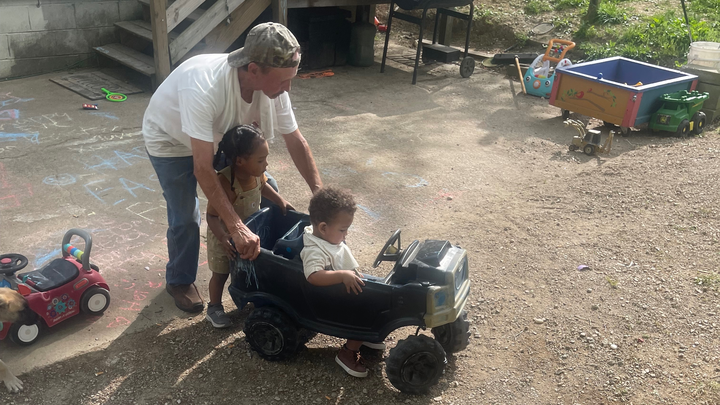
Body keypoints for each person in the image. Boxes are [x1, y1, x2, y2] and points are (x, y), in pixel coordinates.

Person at [141, 22, 322, 313]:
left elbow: (296, 141)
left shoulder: (275, 89)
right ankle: (179, 280)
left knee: (267, 187)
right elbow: (203, 168)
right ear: (253, 69)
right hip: (170, 141)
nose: (288, 88)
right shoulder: (204, 88)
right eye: (282, 81)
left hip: (223, 137)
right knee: (185, 216)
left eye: (291, 79)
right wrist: (236, 227)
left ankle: (264, 263)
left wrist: (320, 195)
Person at [205, 125, 293, 328]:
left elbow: (263, 186)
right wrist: (223, 238)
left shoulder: (255, 173)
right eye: (261, 160)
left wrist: (280, 200)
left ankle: (252, 296)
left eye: (266, 158)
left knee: (249, 268)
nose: (266, 164)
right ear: (240, 161)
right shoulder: (225, 183)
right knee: (221, 273)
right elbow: (211, 216)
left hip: (248, 234)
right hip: (225, 239)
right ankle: (214, 307)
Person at [300, 187, 385, 378]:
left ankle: (365, 337)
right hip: (329, 300)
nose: (346, 235)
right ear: (323, 228)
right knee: (368, 308)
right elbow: (313, 275)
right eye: (343, 230)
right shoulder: (314, 250)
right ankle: (348, 352)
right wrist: (341, 275)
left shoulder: (326, 237)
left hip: (342, 288)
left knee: (379, 292)